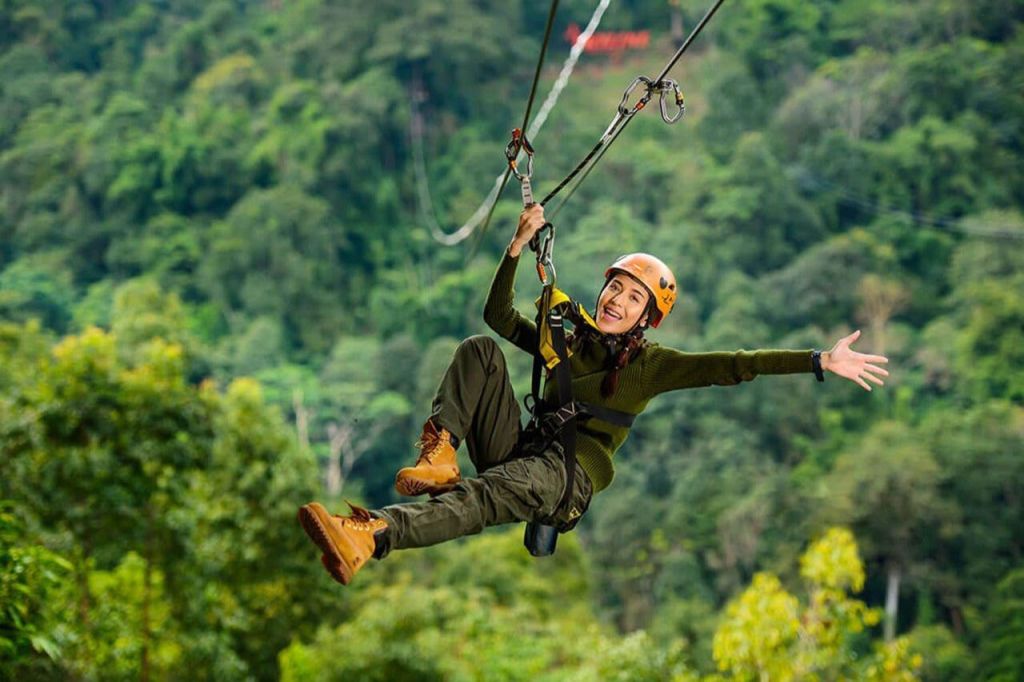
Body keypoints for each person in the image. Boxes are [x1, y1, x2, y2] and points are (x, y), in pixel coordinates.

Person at [297, 204, 890, 585]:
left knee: (481, 498)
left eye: (633, 299)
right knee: (480, 350)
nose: (617, 301)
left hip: (564, 478)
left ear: (645, 319)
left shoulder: (652, 367)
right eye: (615, 288)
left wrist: (818, 359)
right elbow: (497, 317)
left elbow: (735, 365)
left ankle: (371, 534)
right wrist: (515, 246)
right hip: (522, 450)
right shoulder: (568, 339)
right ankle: (440, 453)